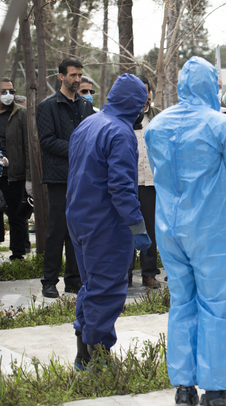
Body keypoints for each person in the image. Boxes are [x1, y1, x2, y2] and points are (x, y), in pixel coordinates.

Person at [145, 56, 226, 406]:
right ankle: (216, 390)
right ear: (211, 86)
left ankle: (184, 388)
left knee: (182, 305)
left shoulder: (157, 125)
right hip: (211, 230)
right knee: (218, 306)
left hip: (169, 228)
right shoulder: (220, 125)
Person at [66, 73, 152, 369]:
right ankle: (97, 358)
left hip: (79, 217)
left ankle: (82, 352)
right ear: (136, 104)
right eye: (143, 103)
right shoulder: (120, 133)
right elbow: (121, 187)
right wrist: (137, 225)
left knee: (90, 285)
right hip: (107, 222)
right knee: (107, 289)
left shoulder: (88, 123)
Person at [37, 58, 94, 299]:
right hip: (59, 177)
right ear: (61, 76)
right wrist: (78, 146)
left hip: (82, 176)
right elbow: (47, 141)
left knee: (77, 231)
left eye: (79, 75)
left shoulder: (84, 106)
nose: (77, 79)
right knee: (57, 230)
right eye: (73, 75)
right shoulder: (47, 106)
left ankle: (74, 280)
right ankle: (49, 281)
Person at [128, 75, 162, 288]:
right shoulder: (123, 117)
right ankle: (126, 274)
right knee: (127, 230)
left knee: (150, 229)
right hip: (128, 184)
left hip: (151, 183)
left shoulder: (158, 116)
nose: (144, 96)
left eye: (146, 91)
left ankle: (149, 273)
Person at [0, 77, 31, 260]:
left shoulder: (21, 114)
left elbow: (28, 145)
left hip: (14, 174)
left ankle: (18, 254)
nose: (8, 95)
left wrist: (28, 176)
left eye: (11, 91)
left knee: (16, 215)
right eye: (4, 91)